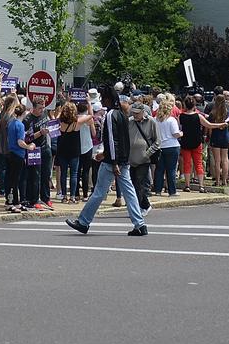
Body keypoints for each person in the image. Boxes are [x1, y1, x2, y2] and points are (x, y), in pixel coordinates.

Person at [66, 86, 147, 236]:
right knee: (129, 192)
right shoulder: (122, 115)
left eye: (103, 98)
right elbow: (123, 140)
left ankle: (83, 222)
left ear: (108, 99)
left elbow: (111, 139)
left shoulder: (110, 115)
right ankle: (140, 224)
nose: (102, 100)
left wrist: (112, 160)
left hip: (112, 162)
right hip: (122, 160)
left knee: (98, 192)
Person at [178, 95, 224, 193]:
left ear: (185, 105)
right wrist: (221, 124)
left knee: (187, 163)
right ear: (194, 105)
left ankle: (187, 185)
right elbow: (209, 125)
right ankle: (201, 185)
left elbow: (179, 128)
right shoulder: (198, 116)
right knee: (198, 163)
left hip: (185, 142)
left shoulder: (181, 116)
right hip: (197, 142)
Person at [126, 99, 157, 212]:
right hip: (131, 158)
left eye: (137, 113)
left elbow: (157, 141)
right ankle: (145, 205)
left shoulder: (151, 122)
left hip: (144, 159)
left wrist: (147, 154)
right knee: (133, 184)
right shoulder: (130, 122)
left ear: (143, 112)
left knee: (140, 183)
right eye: (133, 112)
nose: (135, 115)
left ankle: (138, 208)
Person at [152, 93, 182, 196]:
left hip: (159, 146)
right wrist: (181, 133)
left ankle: (157, 190)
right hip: (172, 146)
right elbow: (175, 134)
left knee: (159, 169)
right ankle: (172, 191)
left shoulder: (155, 120)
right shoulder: (171, 120)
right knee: (171, 169)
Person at [56, 101, 84, 204]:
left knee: (63, 173)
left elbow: (55, 118)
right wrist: (89, 104)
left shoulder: (60, 122)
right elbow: (90, 116)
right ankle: (72, 196)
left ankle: (64, 196)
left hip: (62, 150)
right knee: (74, 174)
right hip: (74, 150)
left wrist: (60, 112)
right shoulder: (77, 122)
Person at [206, 93, 229, 188]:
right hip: (225, 136)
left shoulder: (212, 113)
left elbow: (209, 127)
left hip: (215, 136)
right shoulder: (228, 113)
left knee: (217, 161)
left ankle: (217, 180)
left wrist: (209, 137)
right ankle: (224, 181)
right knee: (225, 159)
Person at [5, 104, 29, 212]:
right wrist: (29, 146)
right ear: (23, 113)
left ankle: (15, 201)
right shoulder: (20, 125)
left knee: (12, 178)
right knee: (14, 180)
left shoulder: (11, 123)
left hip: (11, 152)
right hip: (18, 154)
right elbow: (20, 142)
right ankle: (10, 202)